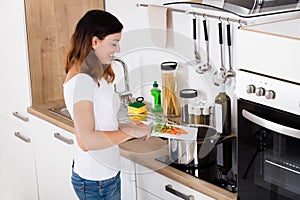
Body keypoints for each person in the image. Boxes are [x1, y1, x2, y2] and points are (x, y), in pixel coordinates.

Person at [63, 10, 152, 200]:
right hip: (95, 181)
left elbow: (103, 122)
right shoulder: (81, 82)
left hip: (107, 175)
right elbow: (86, 141)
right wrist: (130, 133)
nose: (117, 49)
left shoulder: (94, 73)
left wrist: (129, 127)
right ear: (95, 42)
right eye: (114, 43)